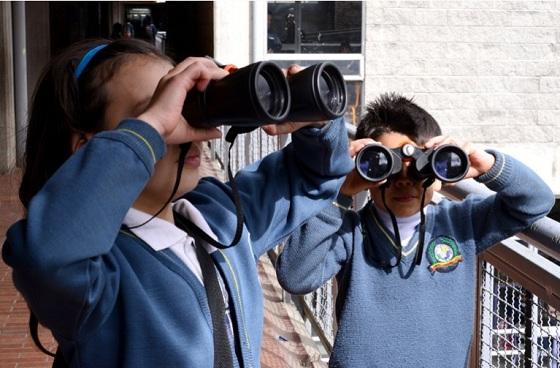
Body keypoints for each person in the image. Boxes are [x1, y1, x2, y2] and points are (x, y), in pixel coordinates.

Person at [2, 38, 353, 367]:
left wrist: (316, 124)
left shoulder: (220, 218)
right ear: (91, 150)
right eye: (156, 113)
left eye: (187, 104)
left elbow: (314, 175)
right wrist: (153, 126)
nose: (180, 124)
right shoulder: (97, 277)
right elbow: (48, 257)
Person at [275, 92, 555, 368]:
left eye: (419, 169)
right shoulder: (350, 232)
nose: (404, 181)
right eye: (388, 167)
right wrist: (339, 191)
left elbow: (535, 202)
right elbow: (296, 277)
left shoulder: (462, 222)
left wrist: (486, 165)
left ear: (435, 170)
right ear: (367, 172)